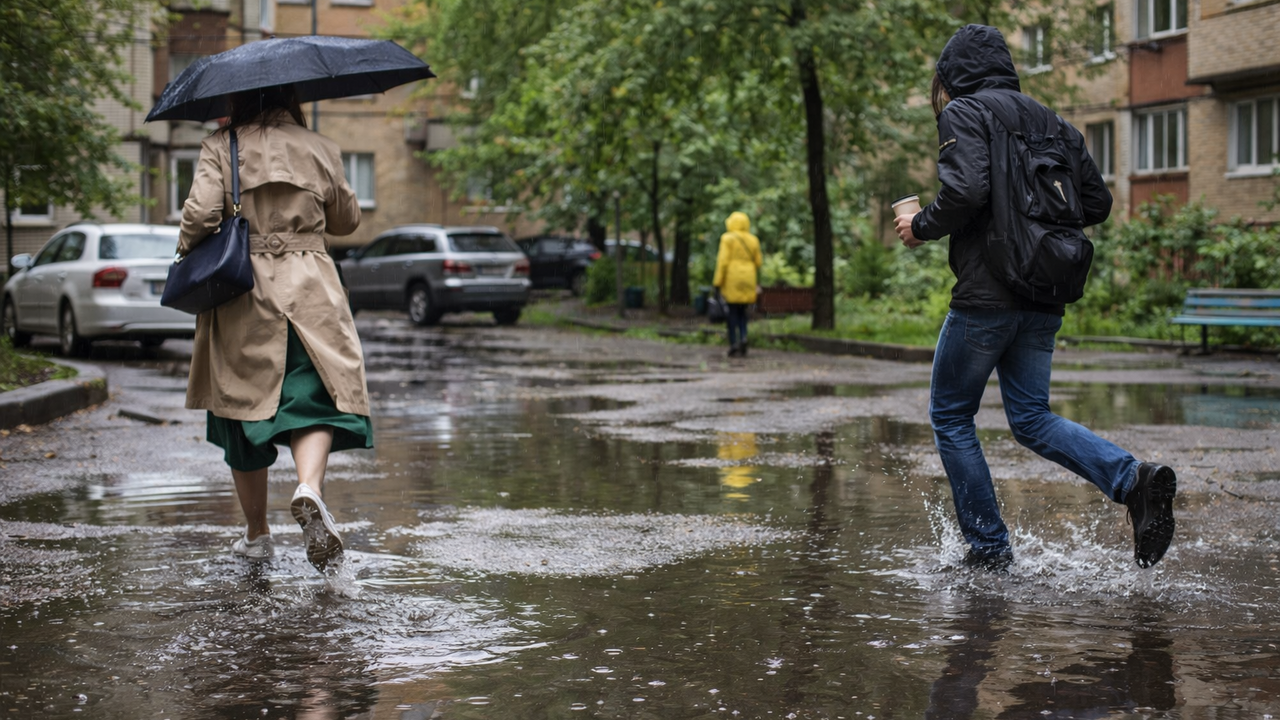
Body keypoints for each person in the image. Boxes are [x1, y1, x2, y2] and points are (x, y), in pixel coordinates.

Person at [894, 25, 1176, 571]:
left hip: (987, 292)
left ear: (954, 76)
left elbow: (965, 191)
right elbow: (1096, 202)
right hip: (1045, 292)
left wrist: (920, 225)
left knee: (951, 416)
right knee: (1030, 418)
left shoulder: (965, 112)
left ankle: (990, 548)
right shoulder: (1054, 121)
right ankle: (1132, 479)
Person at [180, 84, 372, 573]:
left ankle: (257, 534)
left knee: (240, 410)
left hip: (244, 289)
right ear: (291, 98)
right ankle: (309, 488)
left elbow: (201, 215)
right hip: (312, 288)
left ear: (237, 101)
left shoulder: (221, 146)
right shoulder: (321, 147)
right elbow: (347, 221)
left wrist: (189, 241)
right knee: (314, 396)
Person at [713, 211, 763, 357]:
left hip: (732, 278)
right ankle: (744, 336)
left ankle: (733, 342)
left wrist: (717, 283)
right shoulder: (753, 240)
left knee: (732, 312)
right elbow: (758, 262)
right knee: (743, 312)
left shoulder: (727, 238)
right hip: (748, 277)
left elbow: (722, 262)